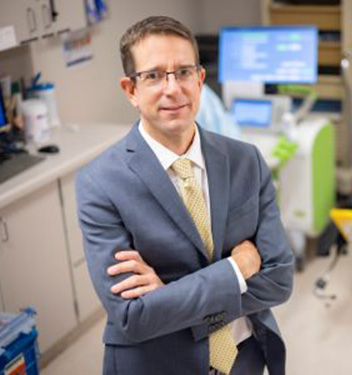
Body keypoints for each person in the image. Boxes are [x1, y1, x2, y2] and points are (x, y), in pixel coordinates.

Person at [76, 16, 294, 375]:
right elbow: (133, 317)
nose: (172, 88)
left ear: (201, 80)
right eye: (154, 75)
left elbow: (279, 280)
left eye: (183, 72)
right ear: (130, 90)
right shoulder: (100, 184)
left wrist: (168, 296)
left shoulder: (245, 161)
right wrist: (236, 269)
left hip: (246, 357)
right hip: (158, 365)